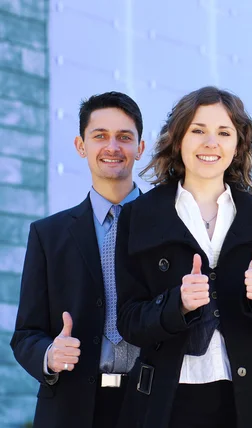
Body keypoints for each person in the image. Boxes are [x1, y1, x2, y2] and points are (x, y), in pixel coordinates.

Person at [115, 86, 252, 428]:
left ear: (238, 144)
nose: (210, 142)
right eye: (198, 130)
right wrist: (176, 305)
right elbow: (128, 321)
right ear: (178, 138)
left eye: (224, 132)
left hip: (250, 401)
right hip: (168, 401)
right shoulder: (140, 216)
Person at [11, 91, 146, 427]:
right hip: (72, 409)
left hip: (150, 405)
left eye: (124, 137)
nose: (112, 147)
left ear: (140, 149)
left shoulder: (171, 227)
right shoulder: (48, 235)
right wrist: (48, 354)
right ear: (80, 145)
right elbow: (26, 333)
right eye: (100, 136)